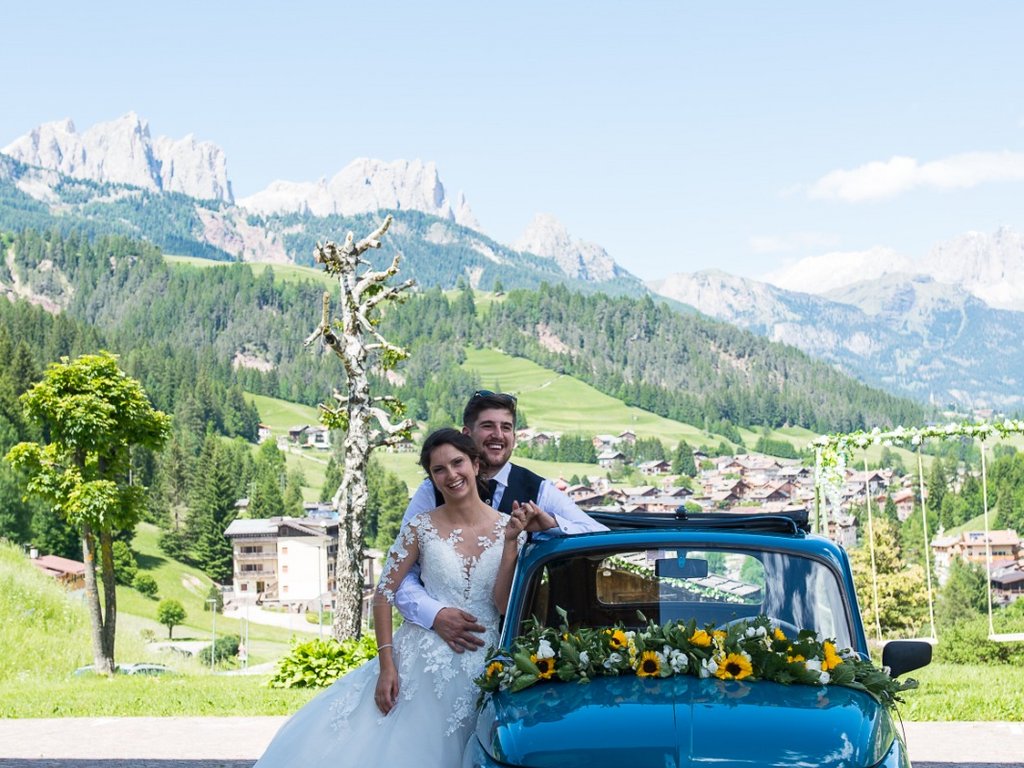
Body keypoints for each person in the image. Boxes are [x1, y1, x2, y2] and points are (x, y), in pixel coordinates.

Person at [253, 428, 528, 767]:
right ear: (431, 478)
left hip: (484, 664)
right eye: (438, 470)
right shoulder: (420, 527)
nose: (451, 475)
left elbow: (502, 605)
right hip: (421, 668)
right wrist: (387, 666)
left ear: (474, 464)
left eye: (458, 463)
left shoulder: (508, 528)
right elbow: (383, 595)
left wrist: (512, 544)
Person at [396, 390, 608, 653]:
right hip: (441, 644)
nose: (498, 435)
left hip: (519, 646)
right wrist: (435, 615)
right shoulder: (432, 491)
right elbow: (398, 576)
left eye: (506, 427)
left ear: (514, 437)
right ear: (466, 434)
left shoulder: (539, 489)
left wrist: (551, 524)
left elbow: (600, 535)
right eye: (487, 426)